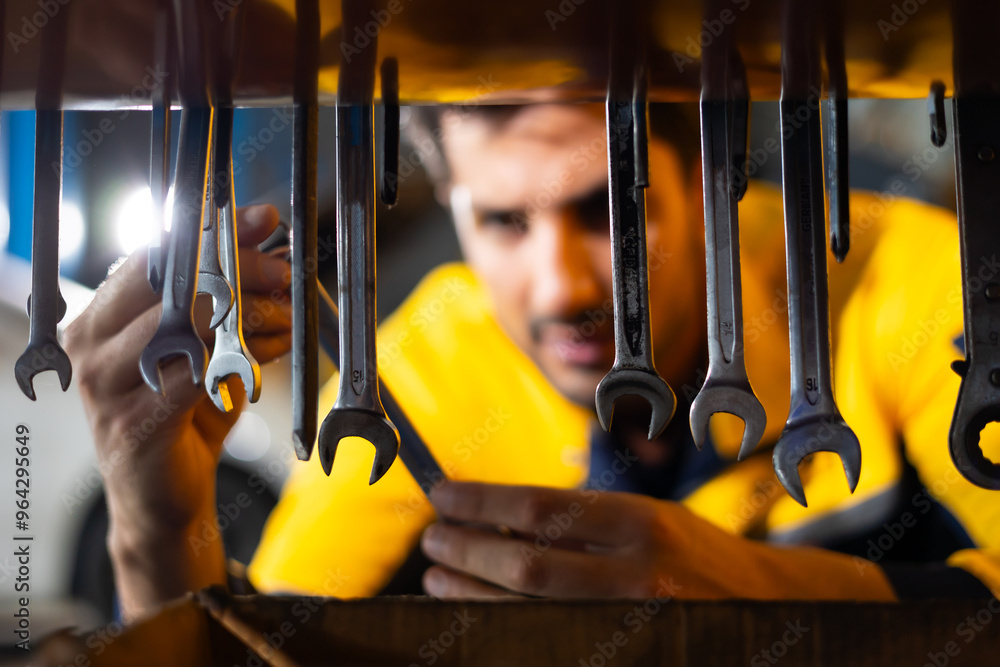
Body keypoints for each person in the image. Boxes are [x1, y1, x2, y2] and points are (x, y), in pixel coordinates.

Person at [65, 103, 1000, 623]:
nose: (557, 286)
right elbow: (271, 645)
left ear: (713, 183)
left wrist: (763, 597)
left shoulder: (907, 281)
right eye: (504, 222)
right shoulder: (416, 379)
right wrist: (156, 528)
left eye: (606, 210)